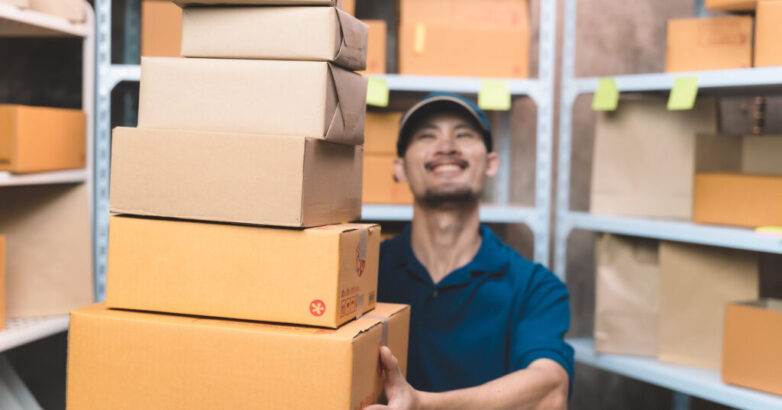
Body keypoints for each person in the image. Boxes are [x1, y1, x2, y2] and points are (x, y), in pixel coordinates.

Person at [367, 93, 573, 410]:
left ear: (491, 163)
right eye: (427, 135)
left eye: (463, 134)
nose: (446, 145)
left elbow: (550, 390)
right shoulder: (367, 276)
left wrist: (421, 405)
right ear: (400, 168)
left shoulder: (535, 286)